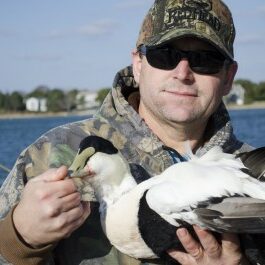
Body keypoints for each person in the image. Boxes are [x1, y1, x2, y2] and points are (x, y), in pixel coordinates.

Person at [0, 0, 264, 264]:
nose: (183, 73)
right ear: (138, 64)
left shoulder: (255, 171)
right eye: (164, 54)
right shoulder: (50, 155)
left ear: (229, 77)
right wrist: (19, 239)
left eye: (205, 60)